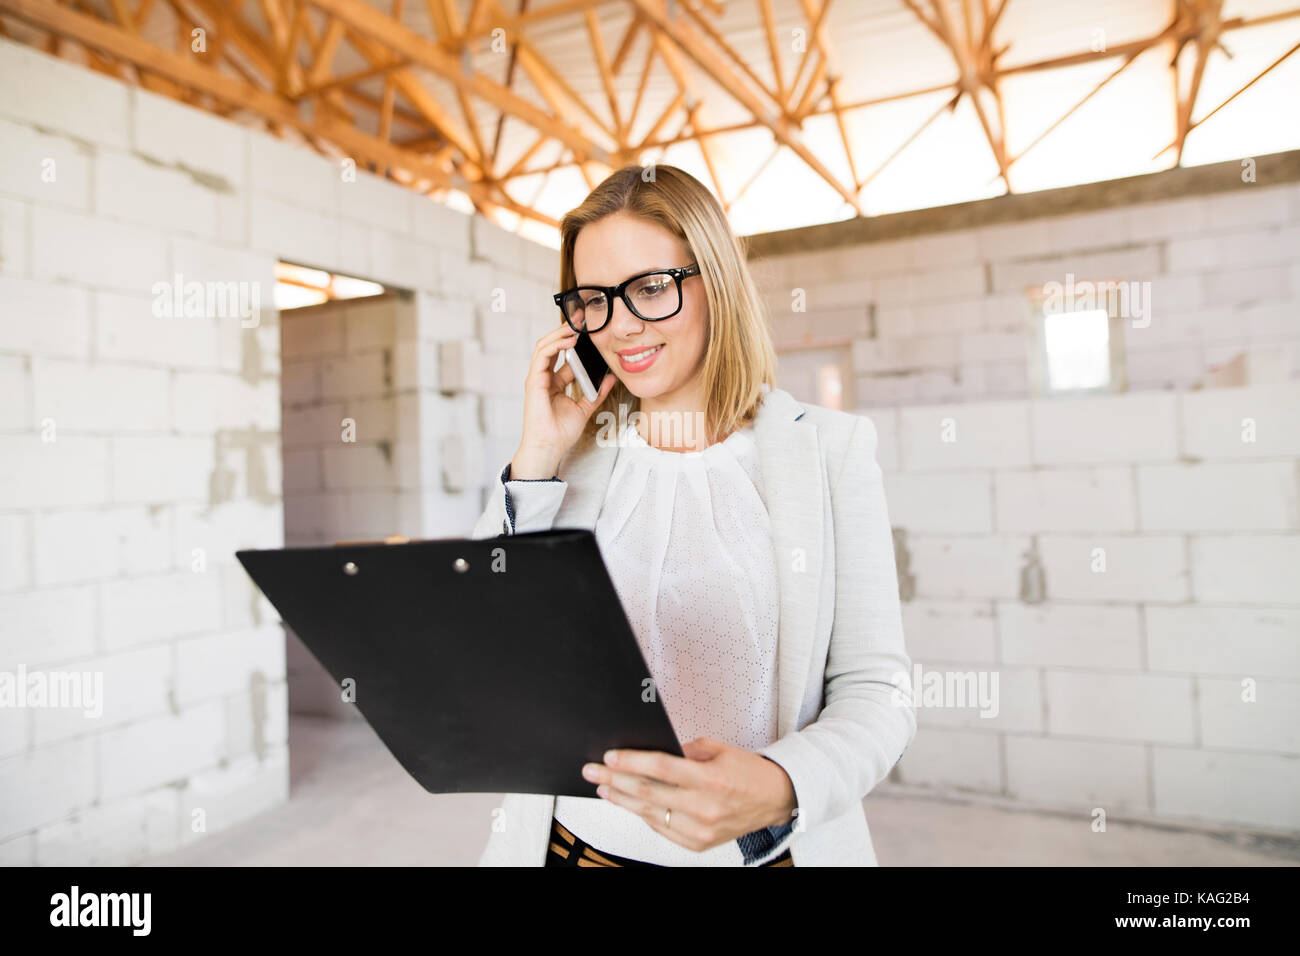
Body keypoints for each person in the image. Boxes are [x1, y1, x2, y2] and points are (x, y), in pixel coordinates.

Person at [471, 164, 916, 866]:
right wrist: (536, 460)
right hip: (569, 852)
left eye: (650, 288)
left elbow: (876, 693)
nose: (619, 327)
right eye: (592, 301)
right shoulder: (568, 462)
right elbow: (485, 646)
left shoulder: (832, 452)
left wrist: (778, 786)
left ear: (716, 280)